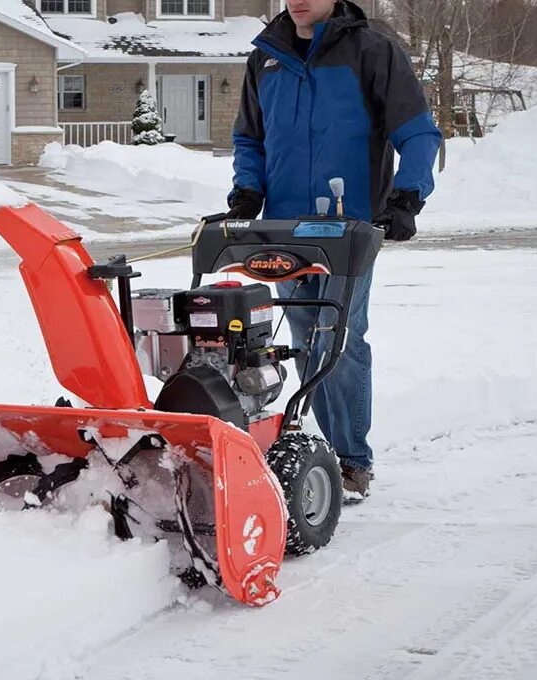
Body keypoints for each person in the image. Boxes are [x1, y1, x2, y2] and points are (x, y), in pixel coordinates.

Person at [226, 0, 441, 499]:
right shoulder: (266, 56)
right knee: (304, 339)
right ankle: (318, 452)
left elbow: (417, 132)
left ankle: (352, 460)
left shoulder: (372, 50)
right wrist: (248, 190)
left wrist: (407, 196)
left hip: (350, 226)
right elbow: (250, 139)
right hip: (285, 227)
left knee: (339, 337)